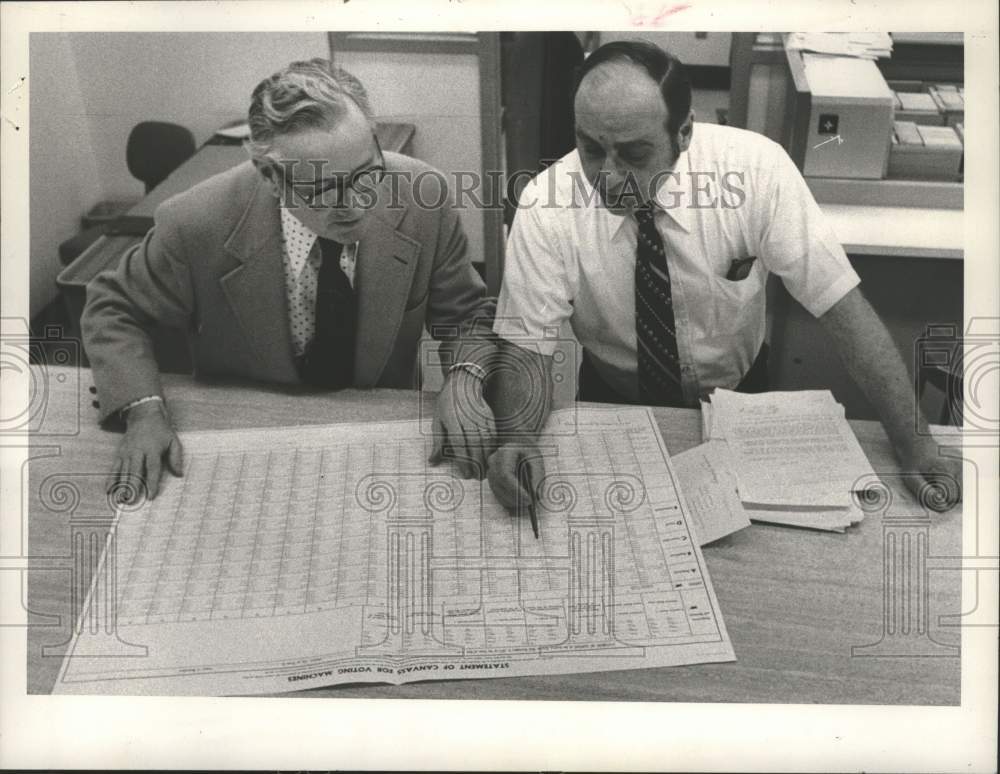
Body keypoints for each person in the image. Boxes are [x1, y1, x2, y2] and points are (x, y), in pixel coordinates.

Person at [485, 40, 961, 514]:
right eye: (590, 148)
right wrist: (517, 438)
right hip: (616, 398)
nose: (608, 175)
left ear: (685, 132)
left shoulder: (755, 171)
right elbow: (526, 347)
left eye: (633, 153)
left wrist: (916, 444)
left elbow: (842, 309)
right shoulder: (546, 205)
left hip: (740, 398)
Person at [83, 59, 497, 500]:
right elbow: (112, 306)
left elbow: (468, 314)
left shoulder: (424, 197)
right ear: (270, 177)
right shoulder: (195, 221)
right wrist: (144, 410)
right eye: (323, 189)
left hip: (377, 432)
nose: (355, 204)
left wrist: (464, 378)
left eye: (366, 174)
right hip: (248, 439)